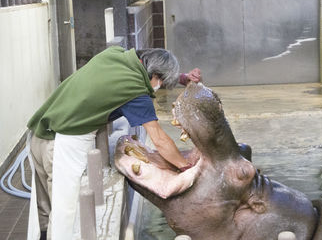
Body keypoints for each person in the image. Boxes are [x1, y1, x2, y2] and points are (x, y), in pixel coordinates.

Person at [26, 46, 201, 240]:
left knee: (46, 212)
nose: (158, 88)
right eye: (161, 82)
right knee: (67, 217)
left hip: (39, 135)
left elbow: (145, 59)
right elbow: (159, 138)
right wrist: (185, 166)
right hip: (62, 145)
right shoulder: (135, 90)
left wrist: (181, 77)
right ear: (155, 75)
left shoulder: (116, 55)